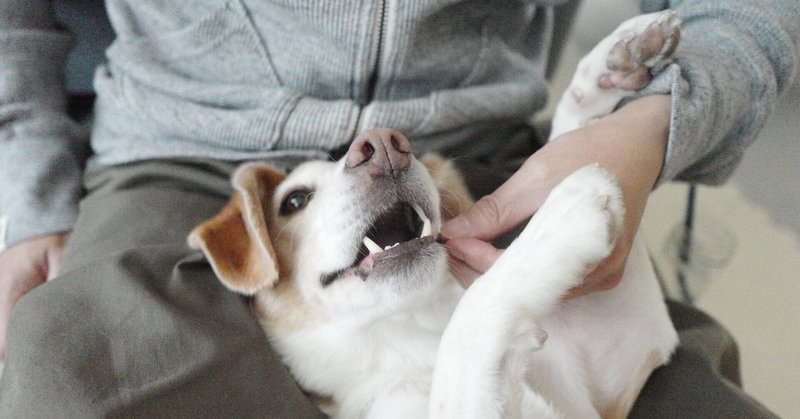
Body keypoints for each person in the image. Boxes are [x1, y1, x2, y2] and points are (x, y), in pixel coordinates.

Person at [0, 0, 797, 417]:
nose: (371, 149)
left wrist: (652, 126)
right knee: (63, 369)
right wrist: (27, 184)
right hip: (180, 143)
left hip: (469, 148)